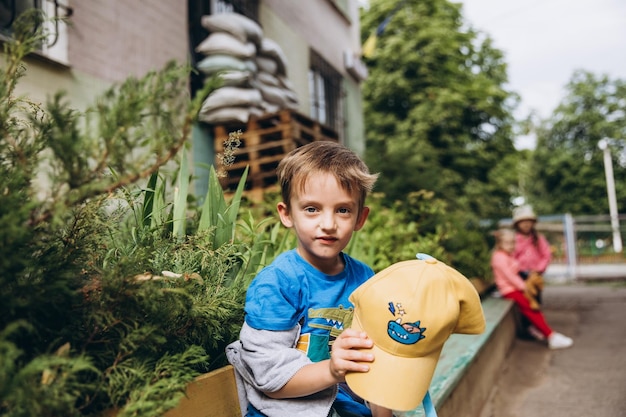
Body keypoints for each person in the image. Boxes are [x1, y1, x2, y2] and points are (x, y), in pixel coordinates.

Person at [226, 141, 392, 417]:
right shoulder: (277, 284)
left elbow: (376, 363)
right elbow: (270, 379)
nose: (328, 224)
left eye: (343, 210)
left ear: (360, 218)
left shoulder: (365, 278)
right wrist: (331, 370)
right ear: (287, 214)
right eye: (312, 209)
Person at [490, 228, 573, 350]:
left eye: (513, 242)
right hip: (509, 290)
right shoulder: (499, 257)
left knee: (533, 307)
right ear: (499, 244)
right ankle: (550, 336)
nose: (511, 246)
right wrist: (525, 287)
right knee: (530, 307)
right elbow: (510, 276)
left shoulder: (507, 255)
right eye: (507, 243)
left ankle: (546, 332)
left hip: (515, 288)